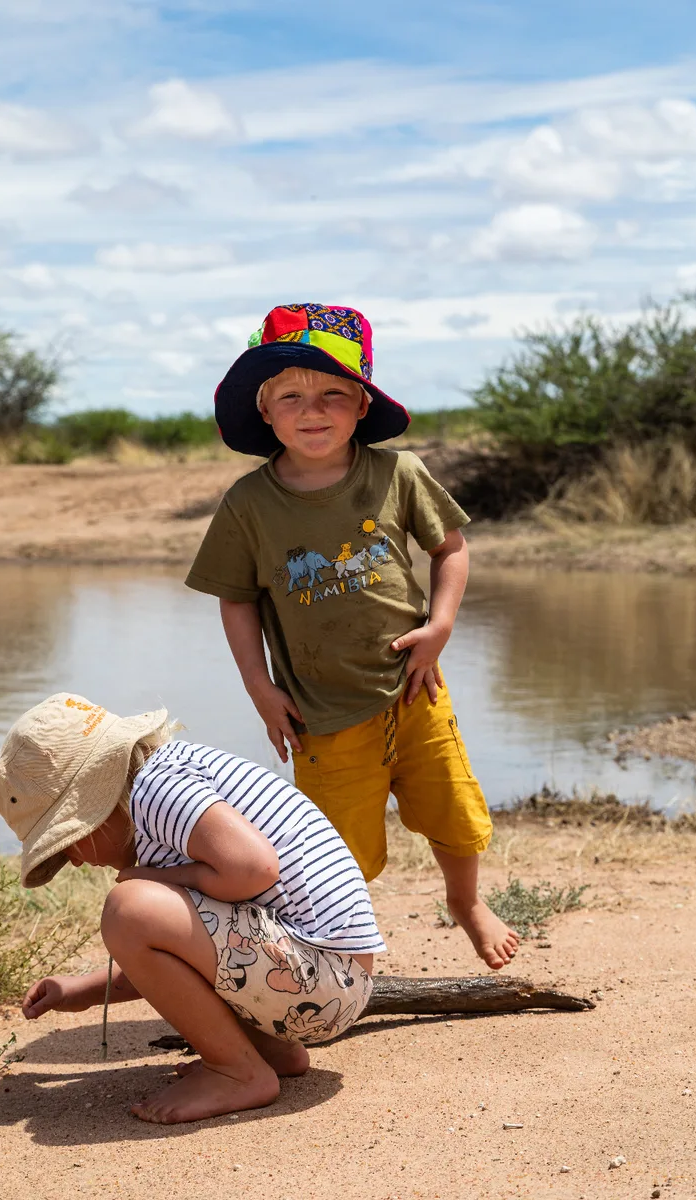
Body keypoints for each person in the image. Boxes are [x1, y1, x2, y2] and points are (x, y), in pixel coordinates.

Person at [186, 303, 518, 970]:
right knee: (333, 849)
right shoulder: (248, 504)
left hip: (416, 689)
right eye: (291, 396)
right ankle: (345, 950)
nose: (313, 411)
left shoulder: (400, 474)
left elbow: (450, 549)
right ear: (265, 410)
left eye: (333, 394)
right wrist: (259, 687)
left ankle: (466, 902)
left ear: (363, 405)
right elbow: (236, 598)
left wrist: (440, 627)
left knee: (453, 809)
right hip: (322, 712)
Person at [0, 691, 384, 1125]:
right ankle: (270, 1053)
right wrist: (83, 991)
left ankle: (236, 1072)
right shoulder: (165, 790)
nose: (76, 861)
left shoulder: (155, 789)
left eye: (66, 844)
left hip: (324, 977)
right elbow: (198, 949)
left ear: (92, 805)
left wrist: (157, 879)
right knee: (138, 909)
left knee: (128, 909)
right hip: (327, 980)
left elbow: (254, 868)